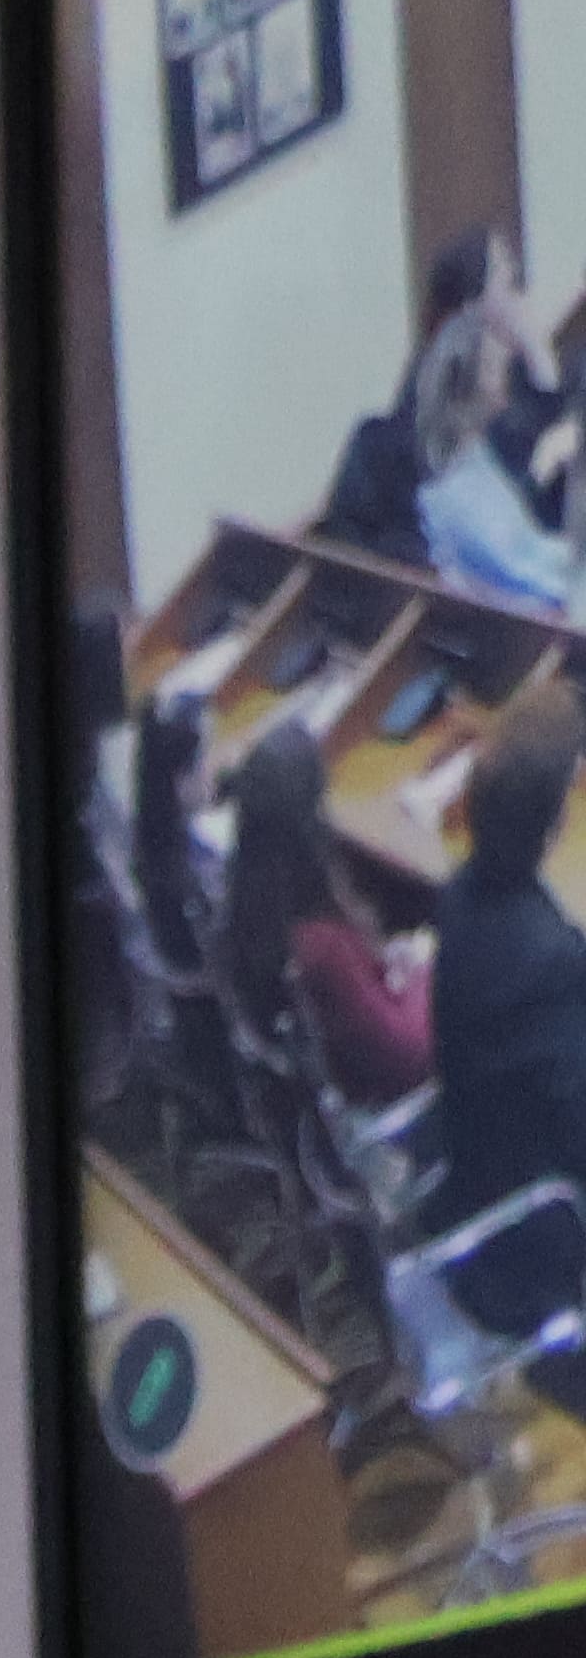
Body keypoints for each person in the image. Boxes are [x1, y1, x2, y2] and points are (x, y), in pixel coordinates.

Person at [215, 718, 433, 1101]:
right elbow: (406, 1050)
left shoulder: (244, 889)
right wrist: (428, 976)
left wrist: (387, 970)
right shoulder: (321, 945)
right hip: (372, 1085)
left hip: (317, 1066)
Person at [437, 688, 586, 1229]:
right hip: (529, 1217)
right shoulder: (551, 961)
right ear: (555, 821)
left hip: (468, 1157)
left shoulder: (459, 891)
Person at [412, 303, 569, 610]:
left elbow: (532, 546)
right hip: (522, 618)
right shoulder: (454, 489)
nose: (505, 377)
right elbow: (516, 571)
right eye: (494, 366)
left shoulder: (481, 456)